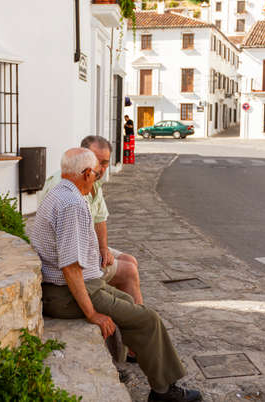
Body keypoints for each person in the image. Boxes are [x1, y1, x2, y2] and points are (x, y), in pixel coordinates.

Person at [31, 148, 202, 402]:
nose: (98, 177)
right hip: (68, 293)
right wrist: (92, 313)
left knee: (131, 305)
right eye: (96, 173)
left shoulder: (58, 192)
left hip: (77, 286)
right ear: (86, 173)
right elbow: (70, 268)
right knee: (148, 319)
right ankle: (164, 392)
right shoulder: (72, 204)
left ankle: (134, 370)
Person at [39, 136, 142, 306]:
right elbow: (69, 255)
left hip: (86, 245)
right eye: (97, 161)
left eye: (105, 163)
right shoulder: (69, 187)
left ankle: (126, 310)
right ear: (83, 157)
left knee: (130, 260)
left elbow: (100, 219)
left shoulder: (93, 181)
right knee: (129, 271)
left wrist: (103, 248)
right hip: (67, 258)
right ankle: (137, 316)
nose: (100, 169)